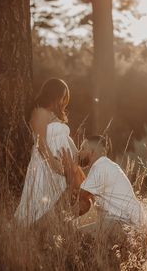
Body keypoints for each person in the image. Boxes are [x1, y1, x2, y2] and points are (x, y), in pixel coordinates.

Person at [15, 78, 85, 225]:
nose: (63, 100)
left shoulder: (56, 116)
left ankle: (51, 234)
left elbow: (66, 139)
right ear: (54, 94)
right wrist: (53, 164)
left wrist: (77, 157)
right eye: (62, 96)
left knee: (58, 204)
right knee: (40, 202)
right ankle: (29, 233)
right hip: (45, 164)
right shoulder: (40, 111)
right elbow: (41, 143)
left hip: (62, 166)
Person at [62, 135, 143, 229]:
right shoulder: (104, 165)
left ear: (93, 152)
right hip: (128, 223)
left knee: (77, 236)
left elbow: (78, 197)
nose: (79, 153)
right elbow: (84, 201)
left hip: (123, 223)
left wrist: (71, 169)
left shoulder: (101, 167)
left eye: (82, 148)